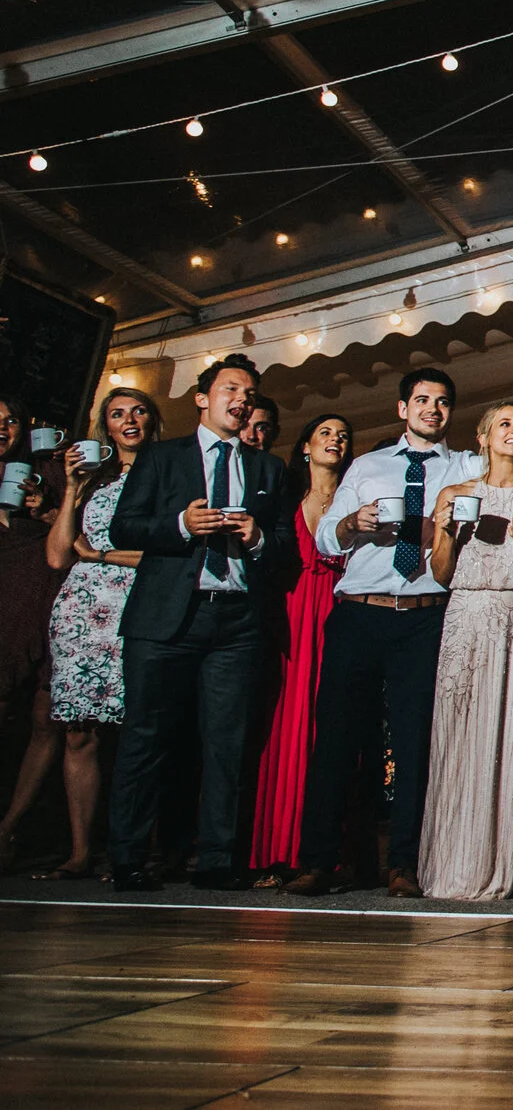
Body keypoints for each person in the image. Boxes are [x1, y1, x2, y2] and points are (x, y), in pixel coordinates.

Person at [287, 369, 480, 898]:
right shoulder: (366, 466)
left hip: (426, 613)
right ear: (402, 409)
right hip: (359, 611)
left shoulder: (468, 465)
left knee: (417, 740)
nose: (432, 410)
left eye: (442, 402)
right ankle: (319, 861)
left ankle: (405, 864)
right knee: (337, 739)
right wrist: (351, 523)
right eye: (422, 400)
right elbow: (326, 537)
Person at [107, 355, 295, 890]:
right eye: (232, 389)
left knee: (227, 744)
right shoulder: (163, 458)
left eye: (250, 393)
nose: (242, 400)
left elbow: (283, 546)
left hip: (235, 621)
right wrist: (180, 525)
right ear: (202, 397)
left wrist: (257, 537)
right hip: (166, 619)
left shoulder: (267, 469)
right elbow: (124, 527)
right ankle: (129, 856)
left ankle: (216, 859)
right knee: (146, 738)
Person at [12, 389, 158, 879]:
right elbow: (57, 556)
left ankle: (132, 848)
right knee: (79, 734)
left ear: (152, 421)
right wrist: (72, 488)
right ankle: (78, 853)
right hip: (80, 614)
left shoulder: (169, 473)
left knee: (141, 732)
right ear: (105, 428)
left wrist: (98, 555)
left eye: (138, 411)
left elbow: (167, 555)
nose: (128, 420)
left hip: (141, 609)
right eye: (117, 414)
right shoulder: (93, 481)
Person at [416, 402, 513, 899]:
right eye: (505, 424)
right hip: (467, 616)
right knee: (460, 734)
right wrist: (449, 534)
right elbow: (440, 573)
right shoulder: (455, 494)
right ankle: (455, 863)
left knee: (509, 734)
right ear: (482, 437)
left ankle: (503, 865)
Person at [246, 414, 351, 884]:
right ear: (305, 445)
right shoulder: (284, 494)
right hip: (290, 613)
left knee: (329, 728)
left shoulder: (357, 496)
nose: (336, 440)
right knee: (283, 725)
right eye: (326, 433)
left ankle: (325, 853)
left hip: (339, 611)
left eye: (343, 435)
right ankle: (274, 851)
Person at [0, 390, 69, 875]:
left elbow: (70, 536)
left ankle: (8, 828)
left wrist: (44, 507)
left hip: (52, 596)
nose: (3, 427)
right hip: (6, 602)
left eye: (10, 420)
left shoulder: (45, 471)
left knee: (47, 718)